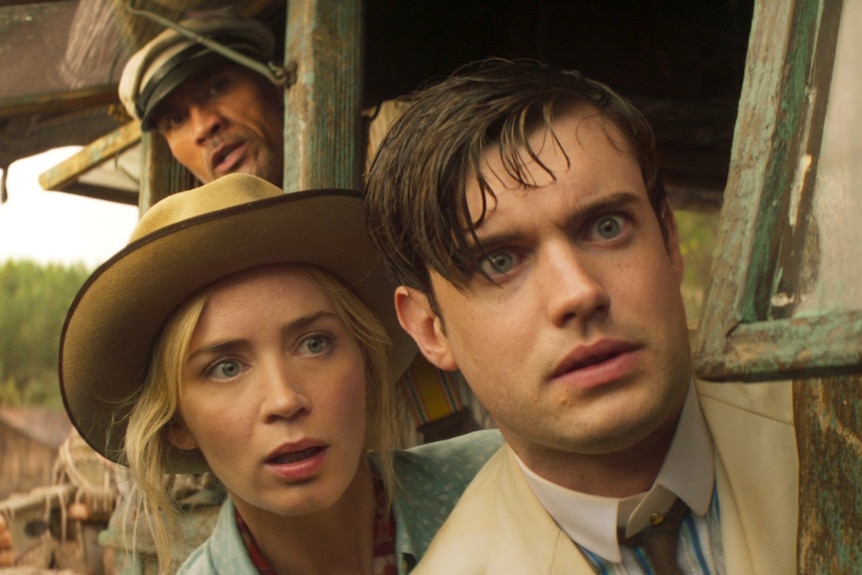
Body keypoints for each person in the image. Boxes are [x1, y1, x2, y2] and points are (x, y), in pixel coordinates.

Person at [363, 58, 798, 574]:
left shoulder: (832, 416)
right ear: (429, 329)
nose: (579, 292)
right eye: (499, 261)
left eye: (607, 226)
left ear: (670, 240)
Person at [59, 173, 502, 574]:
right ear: (176, 421)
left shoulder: (504, 480)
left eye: (315, 344)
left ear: (367, 363)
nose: (285, 399)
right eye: (226, 368)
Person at [118, 14, 481, 442]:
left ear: (276, 79)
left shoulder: (394, 143)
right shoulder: (204, 253)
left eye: (218, 87)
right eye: (176, 119)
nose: (204, 126)